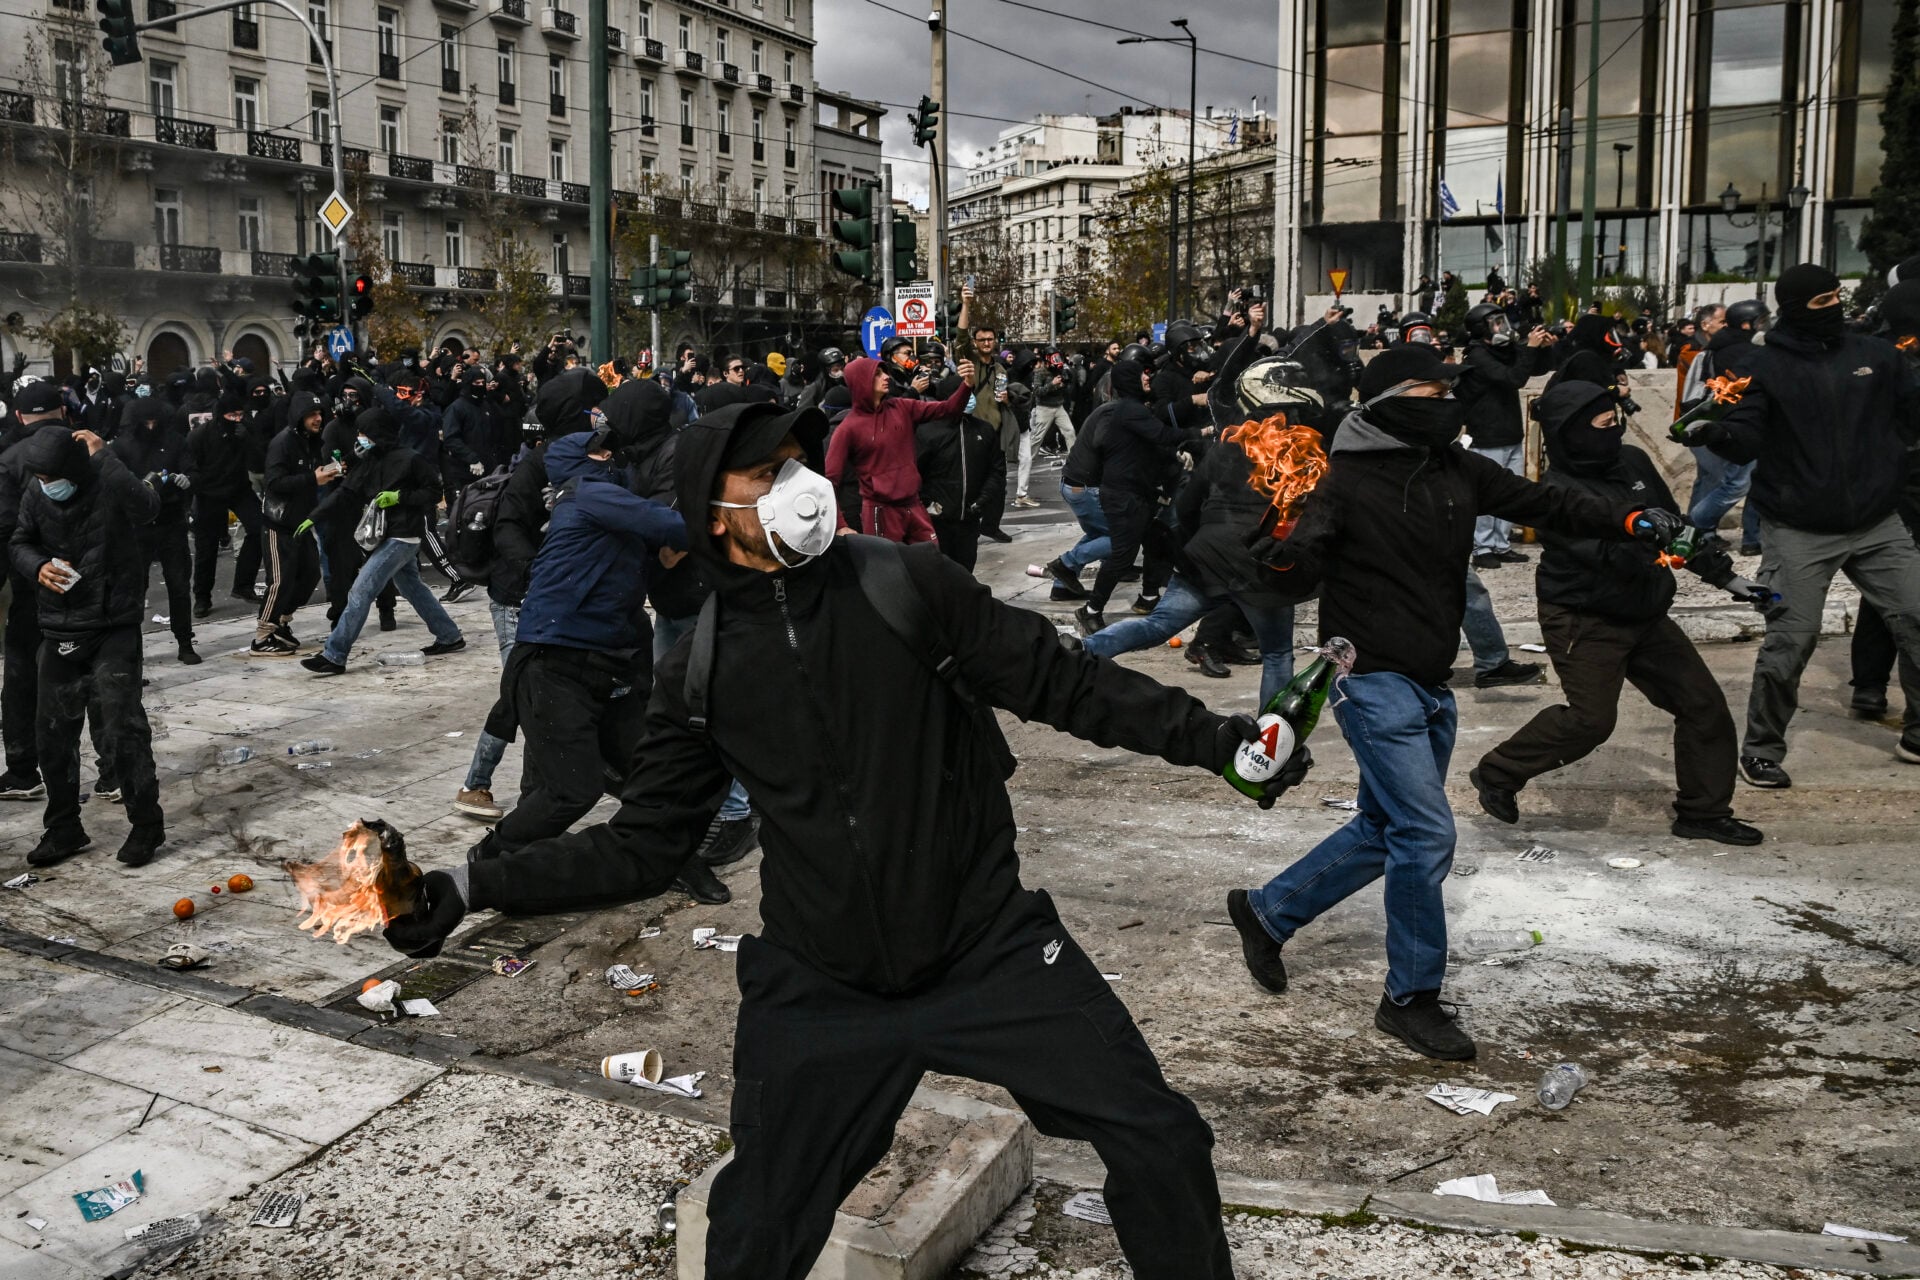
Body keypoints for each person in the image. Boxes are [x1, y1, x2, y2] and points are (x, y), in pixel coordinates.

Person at [381, 403, 1312, 1280]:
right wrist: (474, 883)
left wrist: (1220, 743)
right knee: (758, 1226)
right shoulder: (699, 668)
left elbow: (1065, 683)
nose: (798, 484)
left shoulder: (905, 582)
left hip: (986, 949)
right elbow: (643, 846)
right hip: (821, 985)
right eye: (765, 474)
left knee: (1161, 1139)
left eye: (796, 462)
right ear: (713, 517)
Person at [1224, 345, 1683, 1060]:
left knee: (1386, 829)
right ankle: (1411, 998)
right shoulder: (1339, 479)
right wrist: (1278, 547)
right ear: (1386, 402)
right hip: (1369, 679)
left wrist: (1626, 518)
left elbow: (1546, 502)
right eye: (1428, 391)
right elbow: (1295, 571)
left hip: (1431, 684)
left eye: (1447, 389)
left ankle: (1268, 911)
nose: (1445, 401)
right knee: (1426, 833)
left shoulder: (1456, 468)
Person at [1468, 381, 1762, 846]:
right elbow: (1603, 553)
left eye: (1616, 421)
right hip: (1585, 617)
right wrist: (1642, 531)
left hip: (1645, 613)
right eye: (1603, 425)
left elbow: (1679, 530)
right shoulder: (1555, 492)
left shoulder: (1633, 461)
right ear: (1572, 433)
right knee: (1591, 721)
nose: (1615, 432)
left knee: (1703, 706)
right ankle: (1498, 772)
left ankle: (1703, 813)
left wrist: (1725, 578)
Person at [1682, 263, 1920, 782]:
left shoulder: (1876, 355)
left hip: (1877, 522)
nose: (1834, 307)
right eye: (1821, 301)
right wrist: (1716, 433)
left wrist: (1892, 465)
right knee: (1792, 640)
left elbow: (1911, 416)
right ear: (1793, 308)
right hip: (1798, 527)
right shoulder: (1761, 366)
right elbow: (1746, 435)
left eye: (1837, 296)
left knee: (1917, 615)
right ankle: (1761, 749)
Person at [10, 425, 167, 868]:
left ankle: (146, 825)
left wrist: (106, 458)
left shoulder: (107, 479)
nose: (46, 485)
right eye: (40, 478)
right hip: (59, 626)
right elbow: (20, 541)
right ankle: (63, 828)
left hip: (112, 624)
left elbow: (147, 508)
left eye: (51, 477)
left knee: (122, 728)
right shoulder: (36, 493)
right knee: (52, 734)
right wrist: (37, 566)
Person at [298, 408, 465, 675]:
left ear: (378, 433)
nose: (360, 438)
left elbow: (433, 492)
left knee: (360, 591)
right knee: (413, 588)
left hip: (403, 535)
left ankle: (334, 655)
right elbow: (345, 493)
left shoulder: (411, 459)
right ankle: (449, 635)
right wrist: (314, 517)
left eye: (364, 433)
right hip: (386, 536)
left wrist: (400, 497)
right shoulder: (368, 461)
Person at [1073, 355, 1184, 634]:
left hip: (1138, 493)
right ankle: (1090, 610)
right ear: (1129, 381)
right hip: (1123, 495)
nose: (1147, 377)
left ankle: (1149, 596)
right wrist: (1202, 432)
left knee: (1155, 539)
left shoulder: (1135, 409)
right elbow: (1162, 435)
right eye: (1140, 374)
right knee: (1122, 556)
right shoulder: (1129, 411)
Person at [824, 354, 976, 544]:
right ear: (862, 381)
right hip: (880, 511)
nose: (886, 376)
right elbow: (829, 481)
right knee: (888, 562)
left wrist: (967, 384)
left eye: (885, 372)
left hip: (913, 503)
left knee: (931, 558)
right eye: (878, 374)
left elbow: (948, 409)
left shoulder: (901, 407)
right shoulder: (848, 428)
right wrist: (840, 525)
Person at [1457, 302, 1553, 569]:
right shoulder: (1478, 356)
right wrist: (1530, 348)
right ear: (1482, 328)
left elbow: (1534, 368)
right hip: (1487, 435)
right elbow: (1513, 378)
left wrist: (1543, 348)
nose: (1503, 327)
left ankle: (1501, 543)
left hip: (1509, 433)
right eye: (1496, 323)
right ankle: (1482, 547)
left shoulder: (1502, 350)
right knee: (1488, 493)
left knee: (1510, 492)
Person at [110, 396, 199, 664]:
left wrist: (187, 479)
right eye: (145, 423)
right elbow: (113, 481)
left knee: (179, 584)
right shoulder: (123, 445)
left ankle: (185, 641)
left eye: (154, 422)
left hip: (170, 519)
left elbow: (192, 469)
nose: (150, 427)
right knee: (136, 589)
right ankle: (134, 650)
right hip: (137, 524)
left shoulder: (174, 441)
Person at [1680, 299, 1768, 557]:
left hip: (1713, 425)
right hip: (1732, 426)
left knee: (1713, 480)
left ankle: (1703, 535)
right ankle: (1694, 527)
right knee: (1738, 483)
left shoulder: (1715, 348)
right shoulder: (1741, 352)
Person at [252, 391, 336, 656]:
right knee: (280, 580)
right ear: (299, 417)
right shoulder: (283, 443)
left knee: (310, 574)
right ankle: (262, 635)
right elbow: (275, 483)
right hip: (278, 522)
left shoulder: (313, 441)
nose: (317, 419)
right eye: (312, 415)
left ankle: (281, 621)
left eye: (319, 413)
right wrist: (313, 479)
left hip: (301, 521)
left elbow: (312, 474)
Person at [186, 391, 266, 615]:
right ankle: (202, 597)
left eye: (240, 415)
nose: (237, 419)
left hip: (239, 489)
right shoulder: (200, 436)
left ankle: (244, 584)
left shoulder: (244, 431)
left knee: (260, 528)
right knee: (207, 546)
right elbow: (191, 466)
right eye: (232, 416)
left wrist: (246, 439)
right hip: (209, 493)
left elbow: (258, 459)